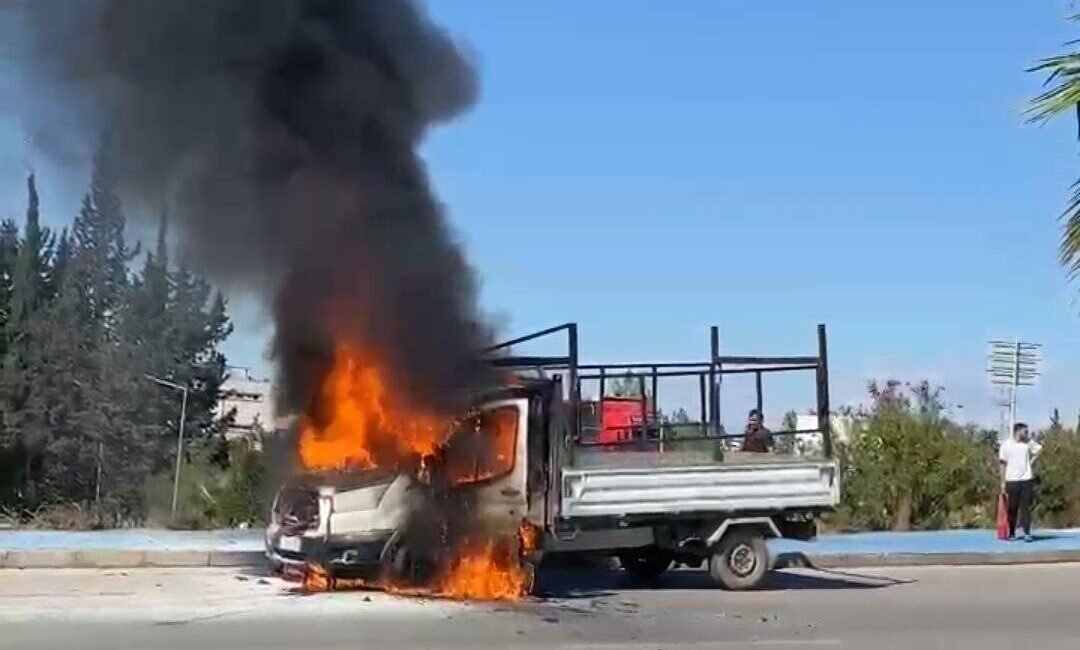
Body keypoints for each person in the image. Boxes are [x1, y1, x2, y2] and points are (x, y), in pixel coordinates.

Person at [999, 422, 1042, 542]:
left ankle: (1027, 533)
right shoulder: (1006, 445)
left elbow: (1039, 450)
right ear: (1018, 431)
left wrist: (1031, 461)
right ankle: (1012, 532)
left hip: (1026, 480)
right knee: (1012, 508)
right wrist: (1002, 483)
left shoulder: (1027, 443)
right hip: (1011, 480)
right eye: (1025, 431)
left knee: (1025, 508)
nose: (1027, 433)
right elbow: (1002, 464)